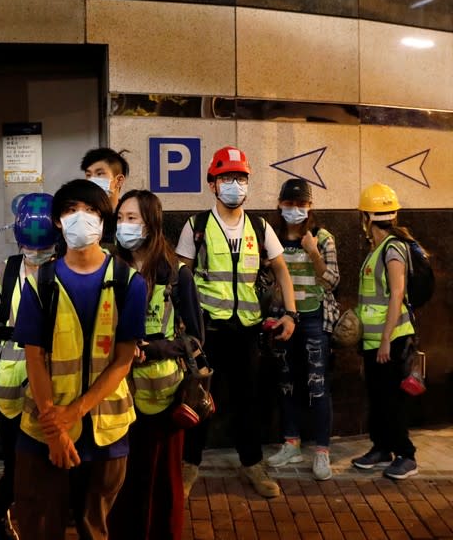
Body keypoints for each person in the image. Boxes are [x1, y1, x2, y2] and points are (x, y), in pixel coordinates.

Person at [11, 178, 147, 540]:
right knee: (39, 521)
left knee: (95, 525)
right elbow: (34, 359)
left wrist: (75, 412)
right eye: (70, 210)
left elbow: (123, 360)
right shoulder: (41, 283)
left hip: (106, 429)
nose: (80, 218)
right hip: (43, 426)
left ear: (104, 222)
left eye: (90, 211)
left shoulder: (128, 282)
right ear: (57, 221)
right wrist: (55, 428)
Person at [174, 145, 297, 499]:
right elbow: (181, 276)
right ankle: (189, 464)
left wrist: (290, 313)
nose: (234, 184)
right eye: (227, 177)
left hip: (247, 330)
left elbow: (281, 271)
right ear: (213, 183)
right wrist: (182, 324)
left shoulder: (259, 227)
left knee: (248, 401)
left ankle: (252, 464)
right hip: (206, 332)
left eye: (240, 178)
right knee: (198, 400)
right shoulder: (196, 226)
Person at [107, 190, 204, 540]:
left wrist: (155, 348)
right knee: (121, 478)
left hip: (163, 398)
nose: (124, 226)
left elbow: (195, 338)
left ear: (152, 223)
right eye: (120, 218)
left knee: (163, 480)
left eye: (132, 218)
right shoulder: (110, 270)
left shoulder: (177, 274)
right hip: (116, 394)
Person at [0, 193, 58, 540]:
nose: (36, 255)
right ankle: (1, 508)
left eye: (43, 248)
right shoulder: (4, 274)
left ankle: (44, 516)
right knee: (17, 463)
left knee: (51, 458)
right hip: (11, 389)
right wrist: (17, 330)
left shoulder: (65, 270)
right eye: (30, 248)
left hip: (55, 384)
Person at [265, 179, 340, 481]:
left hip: (314, 320)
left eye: (301, 204)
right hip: (283, 319)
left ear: (310, 207)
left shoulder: (322, 238)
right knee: (287, 383)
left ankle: (322, 451)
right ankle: (291, 443)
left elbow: (332, 281)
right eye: (289, 204)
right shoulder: (273, 238)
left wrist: (313, 253)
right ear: (280, 205)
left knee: (317, 385)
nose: (295, 209)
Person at [351, 183, 418, 479]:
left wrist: (386, 341)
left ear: (366, 216)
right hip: (373, 339)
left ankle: (406, 455)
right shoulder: (376, 248)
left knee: (392, 399)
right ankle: (381, 448)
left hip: (392, 338)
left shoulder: (392, 248)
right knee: (377, 397)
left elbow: (396, 293)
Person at [81, 147, 129, 247]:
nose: (92, 180)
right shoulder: (80, 217)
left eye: (99, 174)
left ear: (119, 180)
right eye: (88, 175)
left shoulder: (129, 218)